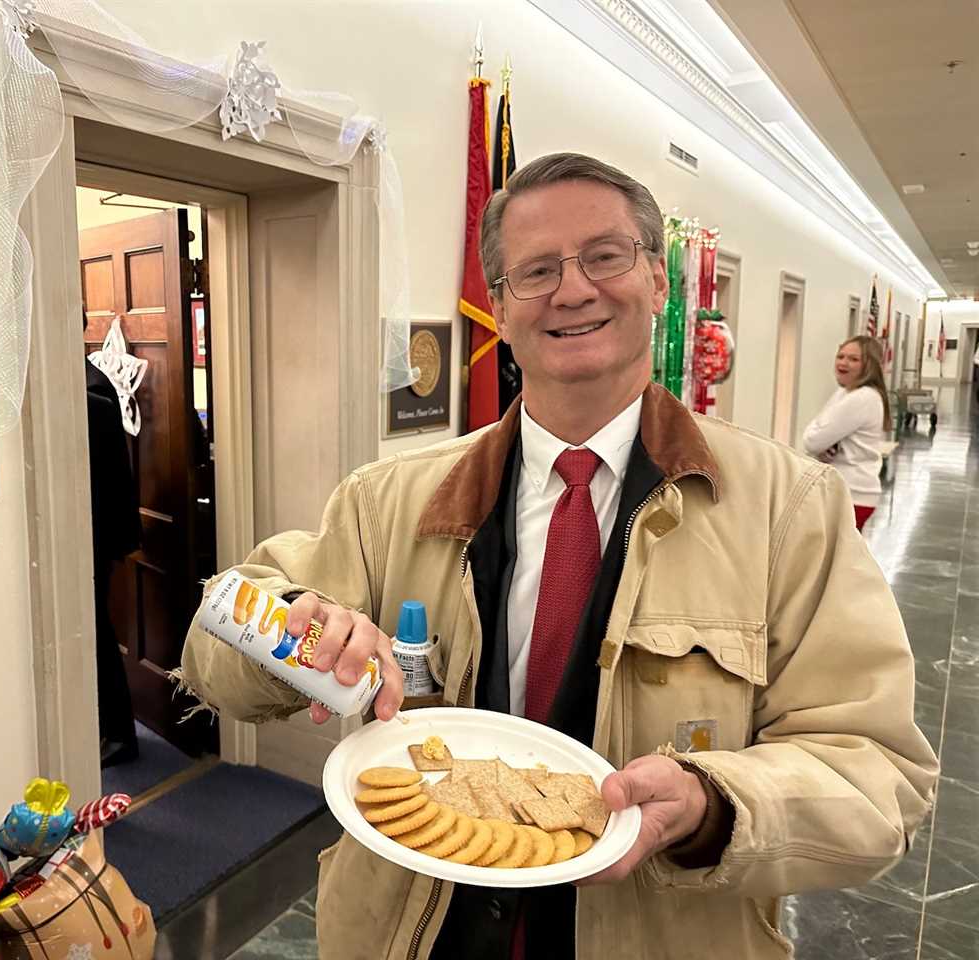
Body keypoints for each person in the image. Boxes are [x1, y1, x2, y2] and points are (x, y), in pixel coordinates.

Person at [179, 154, 938, 959]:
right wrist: (291, 634)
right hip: (413, 935)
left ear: (658, 280)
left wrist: (714, 803)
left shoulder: (788, 511)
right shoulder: (388, 500)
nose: (574, 290)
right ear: (499, 309)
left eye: (605, 256)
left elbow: (878, 773)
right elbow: (213, 652)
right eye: (536, 271)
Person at [85, 309, 141, 766]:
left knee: (98, 633)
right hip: (92, 535)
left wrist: (119, 541)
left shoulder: (90, 389)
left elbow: (113, 477)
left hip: (94, 536)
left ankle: (120, 735)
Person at [801, 336, 891, 532]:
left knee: (833, 560)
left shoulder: (863, 398)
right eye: (840, 356)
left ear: (869, 366)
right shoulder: (845, 393)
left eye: (853, 359)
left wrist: (818, 433)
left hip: (852, 494)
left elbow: (812, 441)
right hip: (840, 491)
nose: (843, 362)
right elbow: (817, 432)